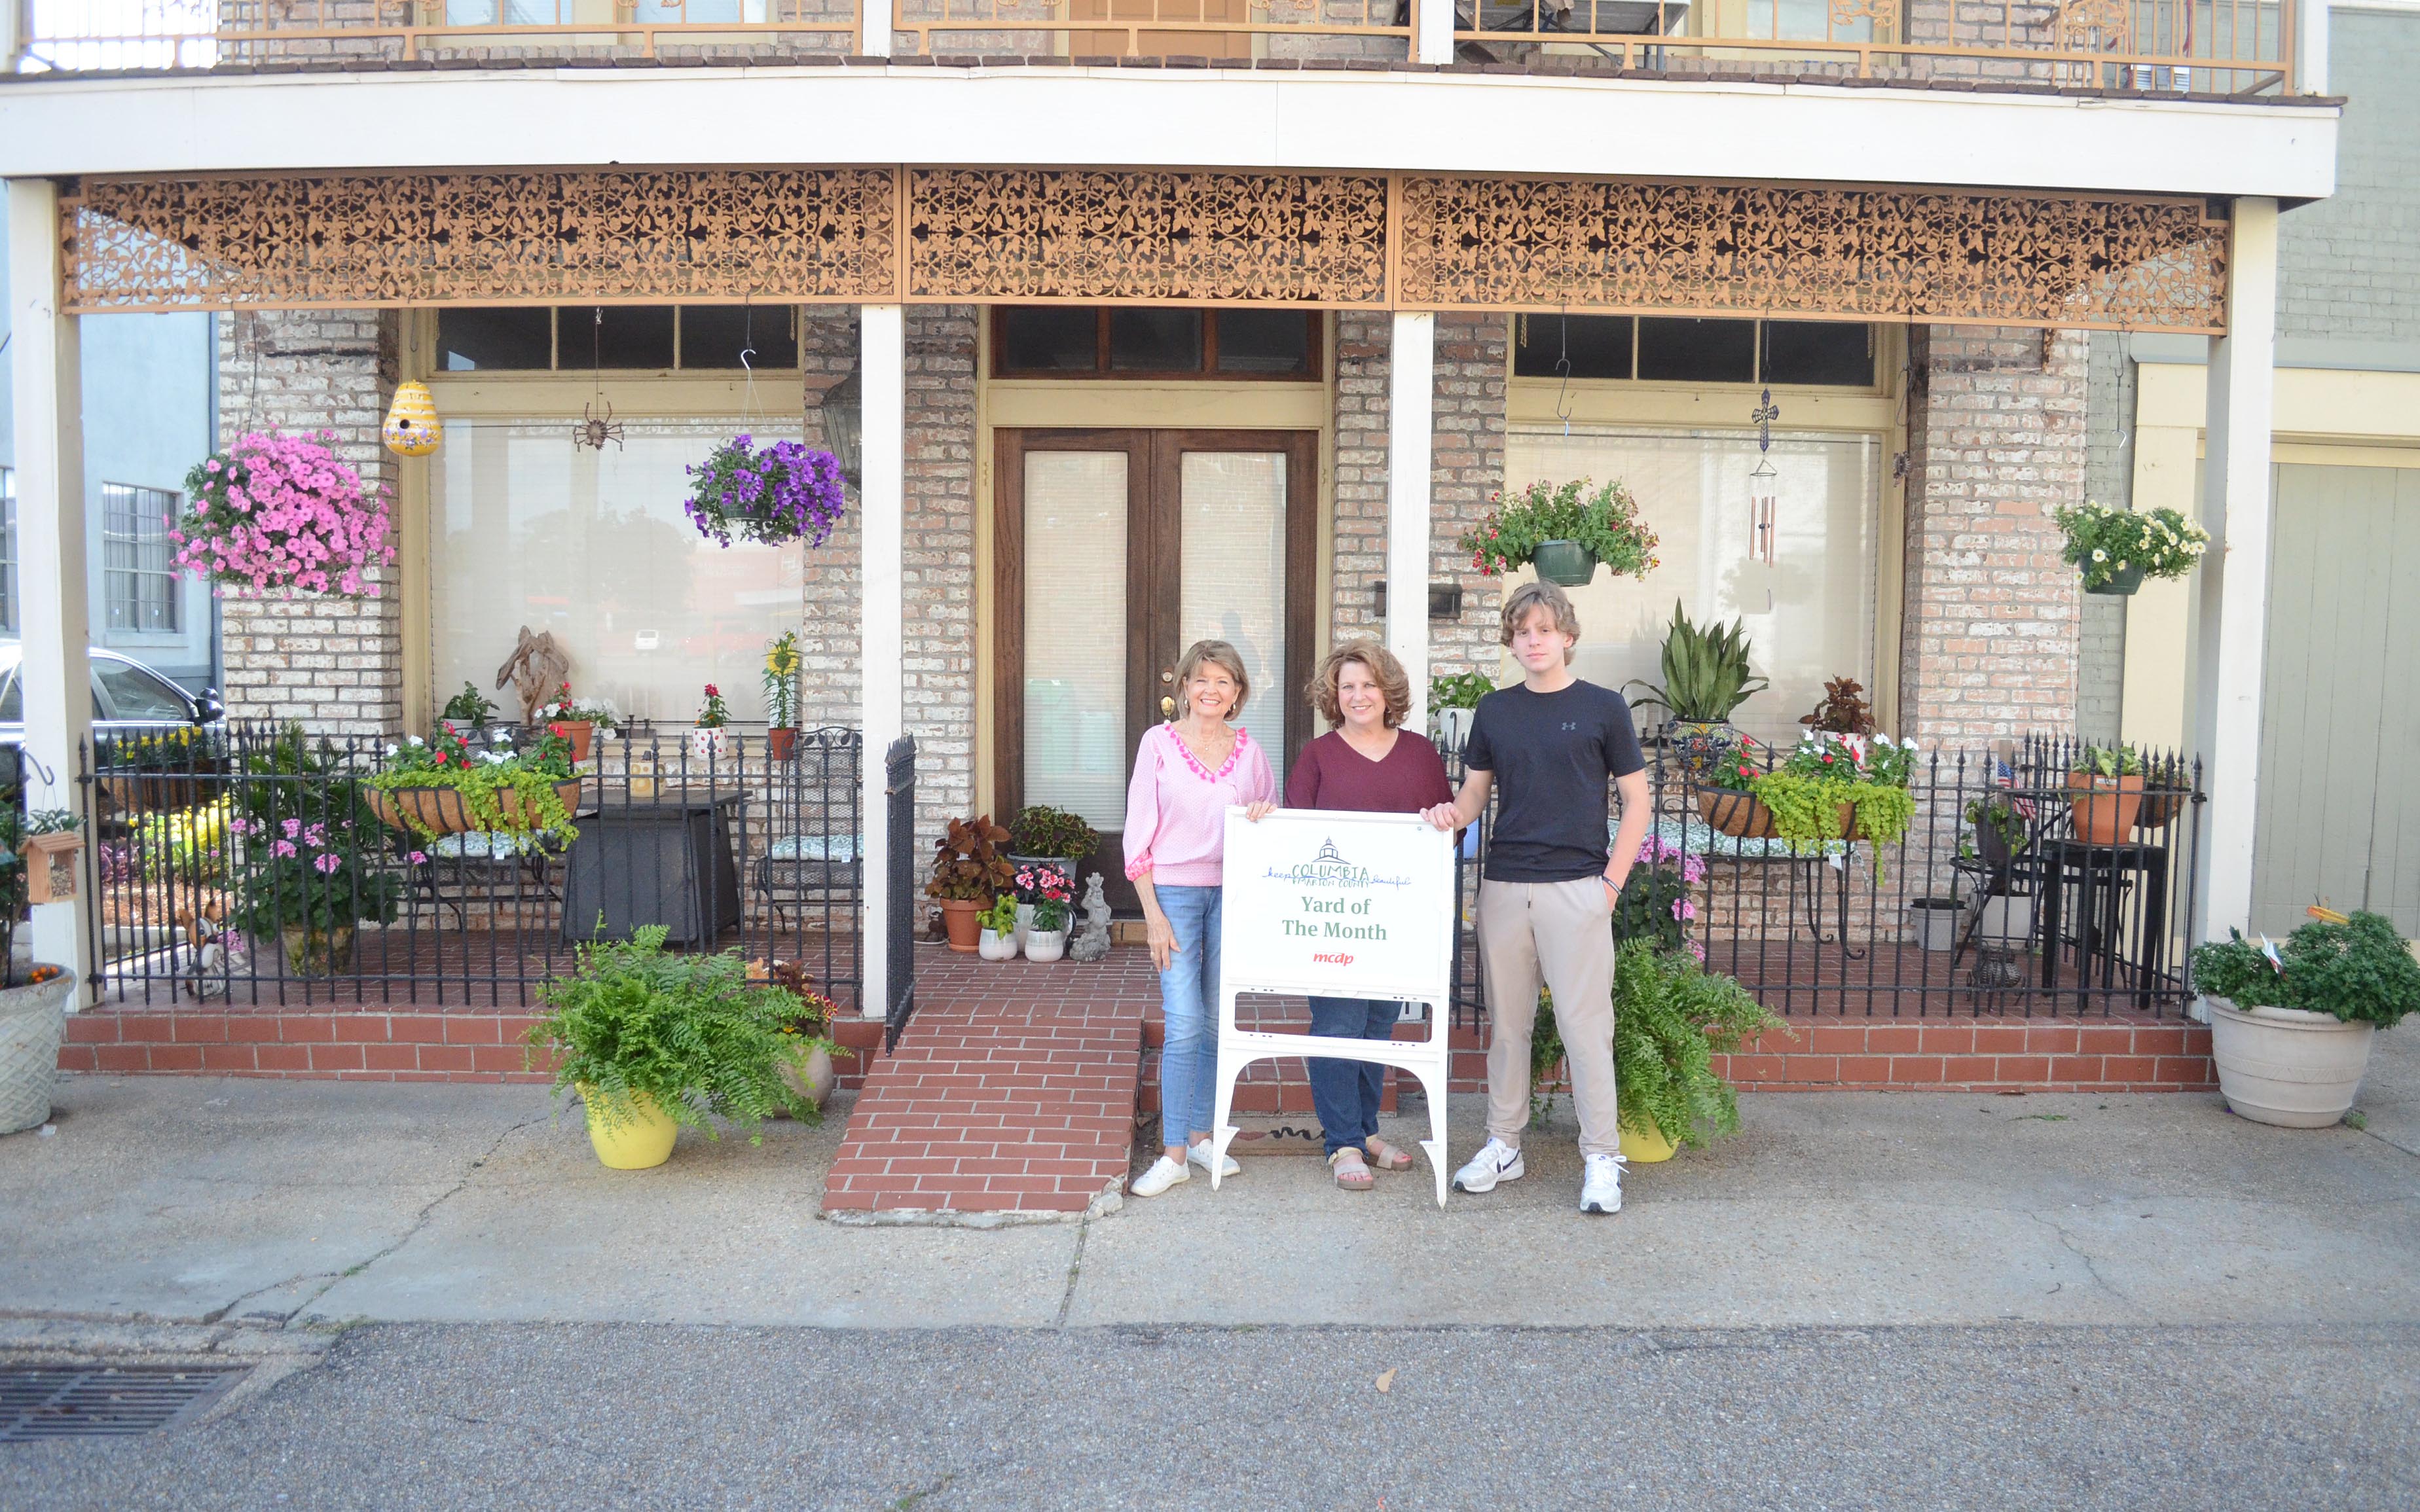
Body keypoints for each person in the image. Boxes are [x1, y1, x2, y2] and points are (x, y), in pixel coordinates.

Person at [1420, 579, 1651, 1215]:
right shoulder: (1496, 711)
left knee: (1585, 1029)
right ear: (1512, 641)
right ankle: (1504, 1145)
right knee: (1508, 1029)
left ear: (1567, 636)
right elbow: (1475, 794)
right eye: (1522, 632)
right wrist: (1449, 813)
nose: (1533, 640)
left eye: (1544, 630)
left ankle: (1602, 1157)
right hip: (1504, 888)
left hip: (1577, 888)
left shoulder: (1604, 708)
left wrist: (1611, 886)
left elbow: (1637, 801)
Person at [1283, 640, 1455, 1191]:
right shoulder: (1318, 755)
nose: (1358, 696)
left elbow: (1448, 832)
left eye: (1369, 685)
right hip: (1334, 919)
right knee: (1338, 1026)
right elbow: (1293, 837)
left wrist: (1444, 820)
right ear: (1334, 695)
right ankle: (1342, 1144)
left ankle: (1366, 1131)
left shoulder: (1420, 754)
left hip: (1396, 921)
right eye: (1347, 686)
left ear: (1388, 691)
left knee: (1378, 1026)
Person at [1124, 639, 1277, 1198]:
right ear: (1185, 687)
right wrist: (1153, 915)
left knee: (1214, 1022)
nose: (1211, 690)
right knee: (1185, 1021)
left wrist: (1265, 812)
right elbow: (1138, 831)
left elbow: (1271, 825)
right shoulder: (1158, 744)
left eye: (1223, 682)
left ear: (1237, 693)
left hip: (1231, 894)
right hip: (1175, 895)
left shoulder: (1250, 753)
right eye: (1202, 679)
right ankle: (1173, 1154)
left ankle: (1201, 1137)